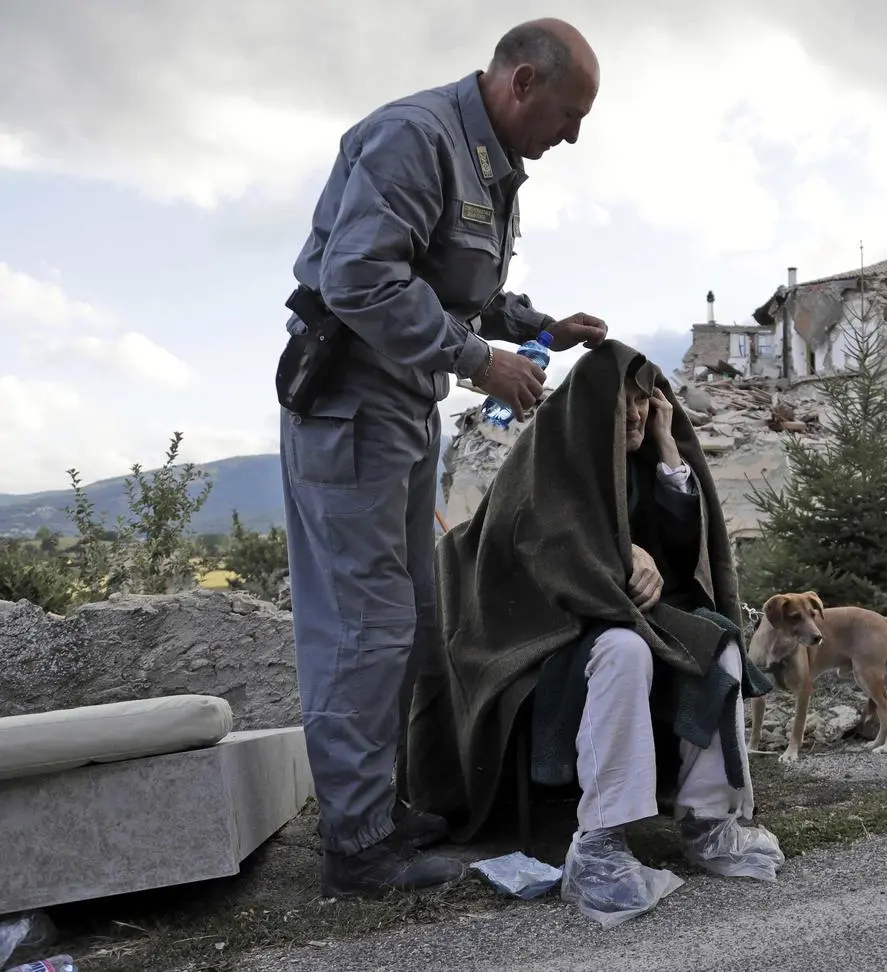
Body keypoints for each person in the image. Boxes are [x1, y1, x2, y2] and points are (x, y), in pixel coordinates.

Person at [277, 19, 608, 899]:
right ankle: (356, 850)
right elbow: (359, 279)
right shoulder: (414, 138)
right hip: (350, 408)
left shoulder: (489, 163)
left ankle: (379, 812)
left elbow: (460, 285)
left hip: (402, 411)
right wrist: (478, 361)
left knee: (414, 618)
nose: (572, 136)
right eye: (571, 114)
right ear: (524, 82)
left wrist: (538, 329)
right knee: (363, 625)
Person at [407, 340, 785, 924]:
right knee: (623, 650)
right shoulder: (549, 453)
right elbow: (533, 539)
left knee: (719, 646)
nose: (634, 412)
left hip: (630, 612)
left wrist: (665, 443)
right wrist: (618, 552)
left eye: (643, 400)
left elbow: (687, 557)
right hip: (548, 632)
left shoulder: (641, 457)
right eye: (623, 401)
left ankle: (709, 821)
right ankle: (603, 842)